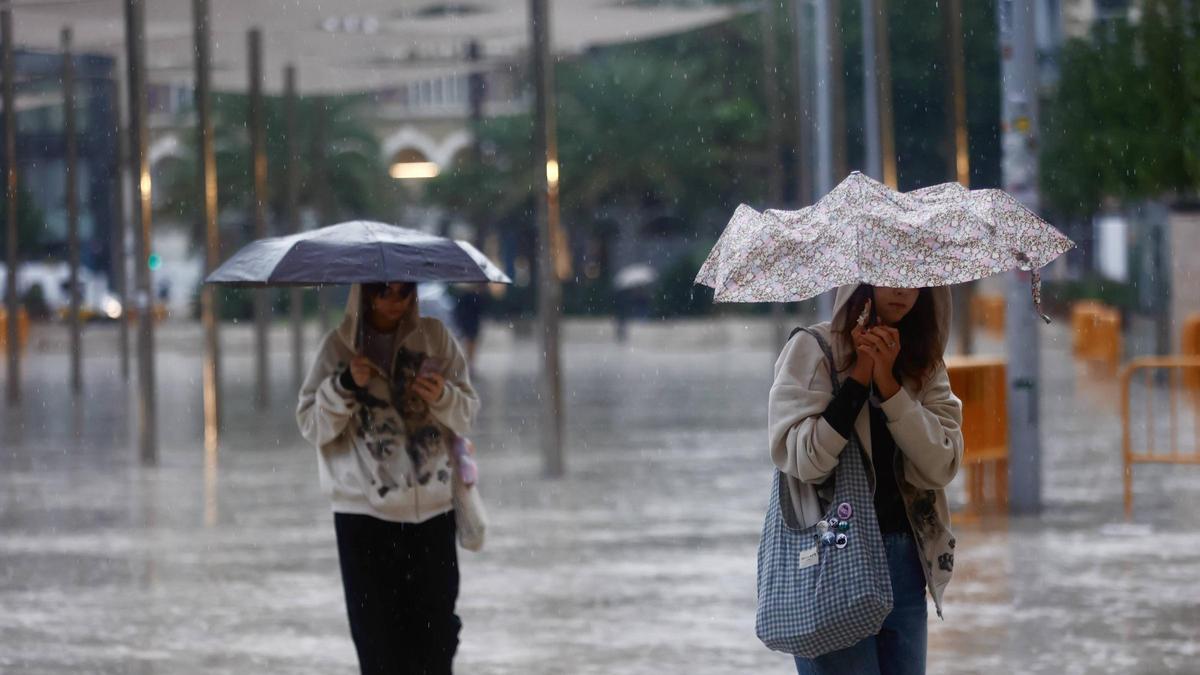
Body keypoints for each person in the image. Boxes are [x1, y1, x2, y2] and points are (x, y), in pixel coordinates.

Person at [768, 284, 963, 675]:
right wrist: (858, 377)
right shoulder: (812, 351)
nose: (904, 289)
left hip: (905, 563)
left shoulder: (925, 363)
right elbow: (805, 462)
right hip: (832, 555)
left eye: (915, 276)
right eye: (889, 273)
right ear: (860, 278)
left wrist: (890, 386)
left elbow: (942, 463)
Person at [297, 281, 479, 675]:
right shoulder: (337, 348)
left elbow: (466, 413)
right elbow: (312, 425)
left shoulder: (436, 339)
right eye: (383, 291)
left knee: (437, 644)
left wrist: (442, 396)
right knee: (379, 650)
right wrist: (345, 384)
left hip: (432, 514)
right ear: (364, 293)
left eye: (404, 292)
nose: (394, 302)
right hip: (363, 518)